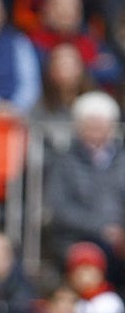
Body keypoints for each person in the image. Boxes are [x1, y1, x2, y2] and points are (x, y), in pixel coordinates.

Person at [44, 91, 125, 268]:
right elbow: (59, 208)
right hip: (77, 237)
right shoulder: (64, 161)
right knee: (89, 256)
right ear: (78, 127)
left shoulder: (122, 160)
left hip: (120, 237)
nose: (95, 129)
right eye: (90, 124)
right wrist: (101, 228)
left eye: (100, 124)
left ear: (111, 126)